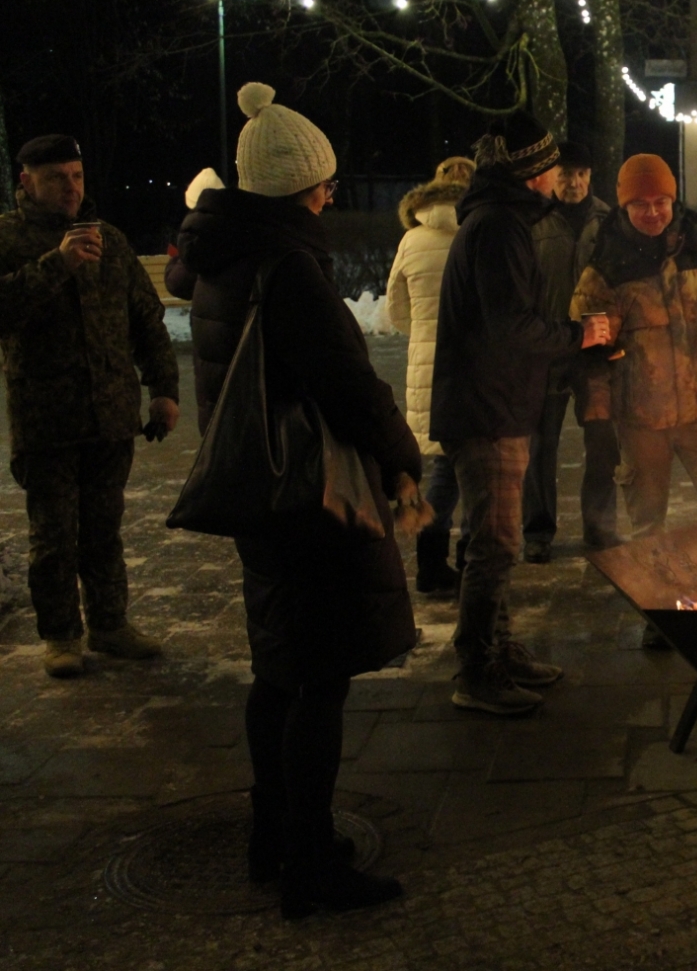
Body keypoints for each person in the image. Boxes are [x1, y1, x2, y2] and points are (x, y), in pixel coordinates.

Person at [171, 82, 417, 917]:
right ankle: (310, 864)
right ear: (294, 188)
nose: (330, 194)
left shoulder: (222, 255)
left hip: (255, 490)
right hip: (306, 495)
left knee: (277, 667)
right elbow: (346, 381)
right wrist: (399, 450)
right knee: (319, 679)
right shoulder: (288, 264)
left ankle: (271, 834)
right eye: (321, 183)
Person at [430, 122, 609, 715]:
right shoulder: (501, 227)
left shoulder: (502, 220)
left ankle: (498, 649)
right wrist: (580, 334)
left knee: (495, 540)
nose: (563, 178)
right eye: (556, 168)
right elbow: (510, 327)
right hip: (486, 408)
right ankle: (477, 669)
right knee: (496, 543)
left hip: (496, 400)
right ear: (538, 172)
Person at [0, 134, 179, 678]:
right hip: (46, 418)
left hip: (110, 413)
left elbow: (146, 320)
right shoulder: (7, 237)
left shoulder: (110, 240)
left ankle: (110, 623)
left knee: (105, 531)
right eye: (58, 177)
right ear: (27, 181)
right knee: (53, 538)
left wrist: (164, 389)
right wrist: (57, 265)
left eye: (77, 176)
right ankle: (60, 636)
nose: (71, 188)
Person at [571, 154, 697, 541]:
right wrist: (598, 421)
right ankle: (655, 597)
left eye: (661, 202)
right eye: (640, 204)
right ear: (625, 206)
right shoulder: (606, 267)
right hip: (641, 423)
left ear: (673, 201)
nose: (653, 212)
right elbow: (591, 356)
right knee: (648, 530)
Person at [522, 140, 615, 561]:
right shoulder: (533, 220)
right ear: (550, 176)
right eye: (565, 174)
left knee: (601, 439)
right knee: (541, 444)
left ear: (590, 176)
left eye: (581, 174)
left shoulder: (608, 221)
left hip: (595, 349)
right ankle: (538, 531)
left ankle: (599, 527)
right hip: (548, 345)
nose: (573, 182)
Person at [387, 156, 475, 593]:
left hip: (427, 365)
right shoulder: (479, 234)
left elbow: (395, 310)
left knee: (440, 471)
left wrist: (423, 331)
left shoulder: (412, 240)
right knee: (481, 471)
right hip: (475, 364)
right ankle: (474, 561)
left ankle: (430, 565)